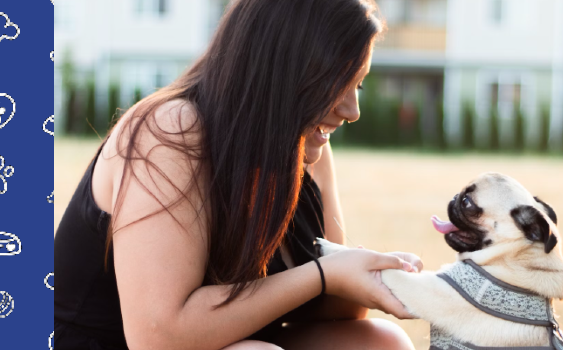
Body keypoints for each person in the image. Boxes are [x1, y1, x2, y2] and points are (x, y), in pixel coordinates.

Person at [54, 0, 423, 349]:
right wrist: (324, 275)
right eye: (337, 79)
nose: (352, 109)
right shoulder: (171, 133)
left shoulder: (309, 152)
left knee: (382, 343)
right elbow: (158, 336)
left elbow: (333, 316)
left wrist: (364, 275)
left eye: (357, 83)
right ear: (279, 68)